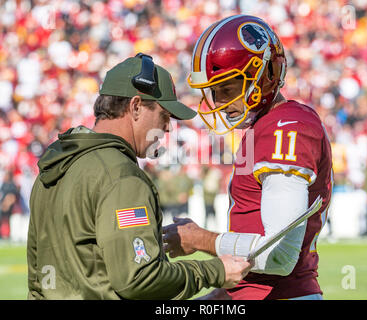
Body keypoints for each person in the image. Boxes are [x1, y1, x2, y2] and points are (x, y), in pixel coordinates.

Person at [27, 54, 252, 300]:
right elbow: (139, 279)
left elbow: (38, 277)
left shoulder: (56, 166)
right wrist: (215, 271)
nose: (167, 128)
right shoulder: (121, 176)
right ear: (135, 106)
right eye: (164, 116)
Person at [163, 15, 333, 300]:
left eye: (227, 89)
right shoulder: (263, 128)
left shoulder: (287, 126)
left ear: (265, 75)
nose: (218, 103)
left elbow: (280, 256)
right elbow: (251, 274)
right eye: (214, 92)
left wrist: (198, 239)